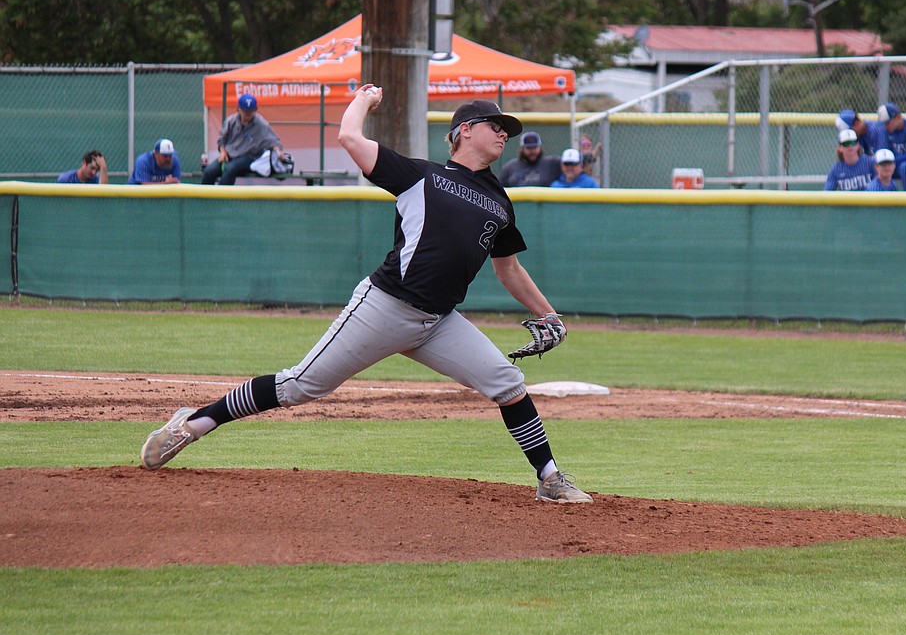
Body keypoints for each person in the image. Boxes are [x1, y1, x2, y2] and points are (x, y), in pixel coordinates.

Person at [140, 90, 593, 504]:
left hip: (438, 321)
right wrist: (363, 99)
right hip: (385, 305)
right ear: (464, 132)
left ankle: (549, 479)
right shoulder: (422, 176)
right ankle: (192, 424)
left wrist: (548, 313)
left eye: (506, 130)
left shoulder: (499, 200)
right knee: (300, 386)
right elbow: (349, 138)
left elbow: (508, 267)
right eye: (495, 125)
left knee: (507, 383)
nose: (503, 134)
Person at [201, 94, 289, 185]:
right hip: (230, 156)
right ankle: (204, 197)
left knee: (231, 168)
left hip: (250, 157)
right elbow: (222, 139)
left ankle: (223, 197)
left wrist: (278, 152)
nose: (248, 114)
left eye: (251, 111)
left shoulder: (260, 123)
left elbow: (273, 141)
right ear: (239, 109)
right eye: (245, 111)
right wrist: (223, 152)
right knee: (209, 171)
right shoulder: (231, 121)